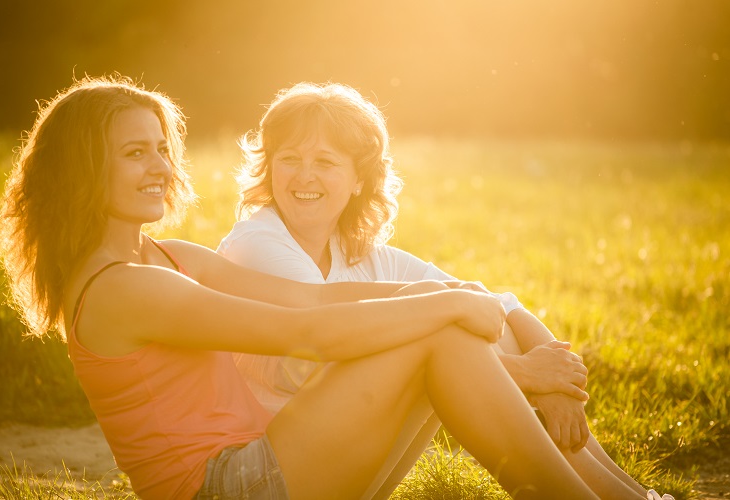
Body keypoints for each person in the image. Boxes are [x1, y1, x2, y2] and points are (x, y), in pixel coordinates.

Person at [0, 75, 607, 500]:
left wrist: (457, 297)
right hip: (224, 489)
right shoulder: (122, 289)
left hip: (262, 467)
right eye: (134, 153)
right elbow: (307, 334)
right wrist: (453, 305)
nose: (159, 168)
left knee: (438, 329)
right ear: (84, 170)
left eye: (161, 149)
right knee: (439, 334)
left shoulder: (170, 257)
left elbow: (311, 299)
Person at [218, 82, 674, 500]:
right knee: (443, 326)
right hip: (271, 470)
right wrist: (526, 375)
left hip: (334, 466)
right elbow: (331, 351)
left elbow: (495, 305)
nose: (304, 177)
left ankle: (629, 497)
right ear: (269, 167)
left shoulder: (361, 253)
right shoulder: (258, 244)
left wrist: (553, 383)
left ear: (359, 179)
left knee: (467, 317)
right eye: (289, 159)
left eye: (325, 162)